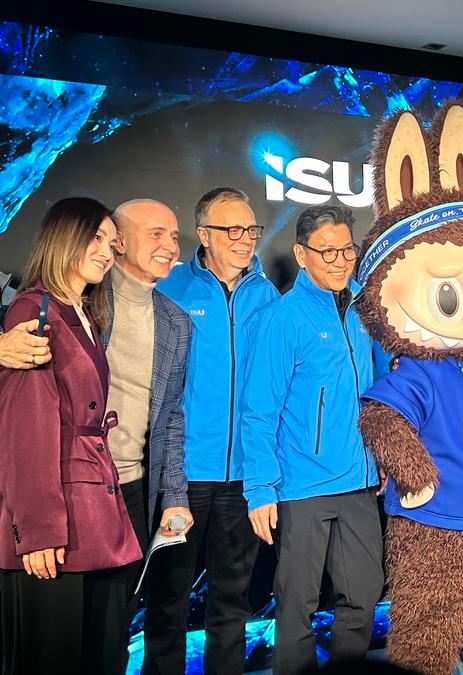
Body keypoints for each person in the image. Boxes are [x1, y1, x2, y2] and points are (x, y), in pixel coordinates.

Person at [0, 197, 142, 674]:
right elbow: (25, 427)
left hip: (93, 510)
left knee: (101, 653)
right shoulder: (34, 309)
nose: (107, 251)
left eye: (111, 241)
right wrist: (38, 529)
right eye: (95, 238)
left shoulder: (81, 311)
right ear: (64, 237)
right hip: (56, 523)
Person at [241, 205, 383, 673]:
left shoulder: (365, 308)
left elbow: (378, 390)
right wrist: (260, 488)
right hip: (301, 484)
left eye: (347, 249)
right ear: (302, 254)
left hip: (360, 482)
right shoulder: (284, 318)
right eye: (328, 252)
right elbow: (259, 410)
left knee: (363, 594)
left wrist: (382, 457)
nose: (341, 261)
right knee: (297, 603)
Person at [146, 187, 279, 674]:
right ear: (204, 234)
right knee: (169, 596)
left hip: (245, 475)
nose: (246, 239)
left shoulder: (267, 294)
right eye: (232, 229)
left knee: (232, 597)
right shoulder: (171, 287)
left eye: (251, 229)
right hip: (183, 474)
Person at [103, 199, 194, 671]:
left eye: (174, 236)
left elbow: (170, 417)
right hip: (77, 488)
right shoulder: (82, 301)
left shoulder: (176, 322)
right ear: (117, 241)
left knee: (117, 623)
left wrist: (174, 496)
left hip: (137, 490)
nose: (170, 246)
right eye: (156, 233)